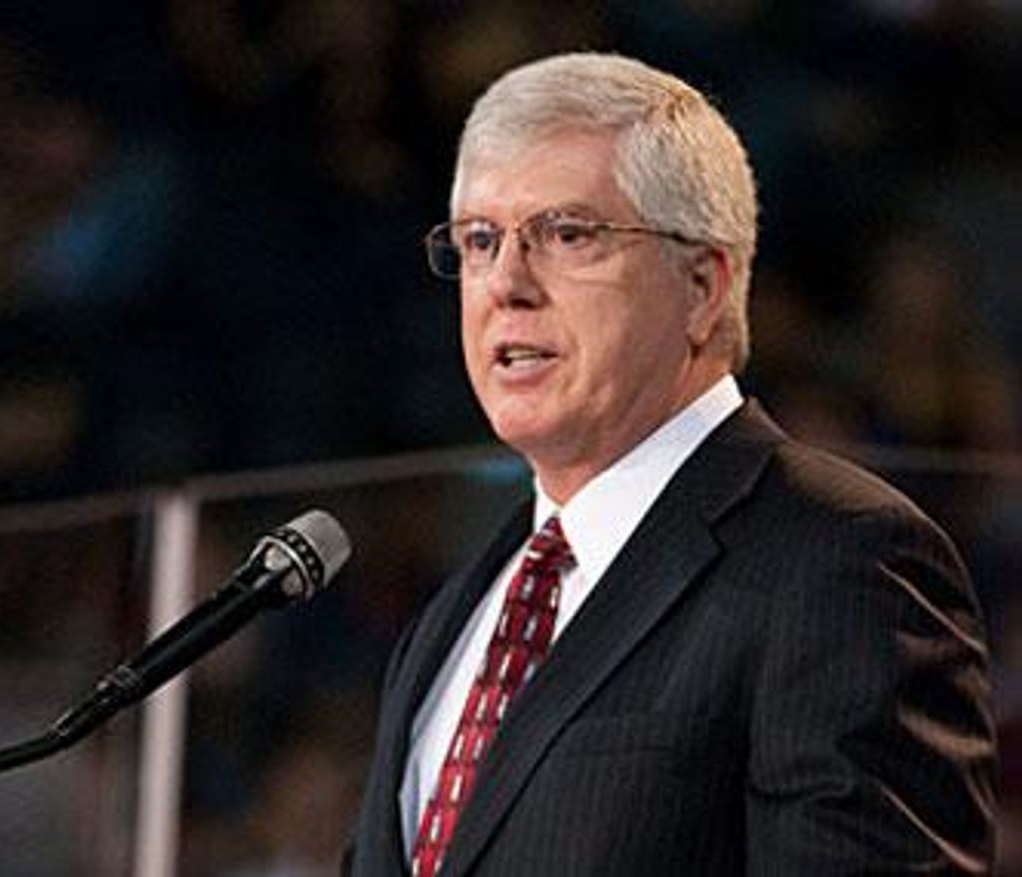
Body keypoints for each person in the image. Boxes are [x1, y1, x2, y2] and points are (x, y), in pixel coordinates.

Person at [345, 52, 996, 875]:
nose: (505, 283)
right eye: (480, 240)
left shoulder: (840, 560)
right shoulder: (456, 613)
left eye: (568, 234)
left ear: (701, 287)